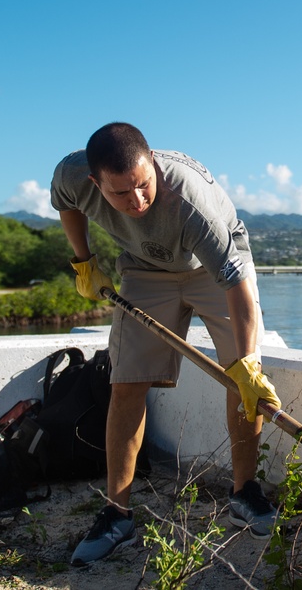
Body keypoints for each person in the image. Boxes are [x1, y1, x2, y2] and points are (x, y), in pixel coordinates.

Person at [50, 122, 282, 566]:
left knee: (242, 381)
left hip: (213, 270)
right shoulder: (71, 175)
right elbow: (66, 205)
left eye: (143, 185)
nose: (137, 201)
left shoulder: (187, 201)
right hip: (144, 269)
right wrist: (83, 261)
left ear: (152, 162)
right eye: (121, 194)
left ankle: (244, 494)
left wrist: (248, 364)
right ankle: (117, 514)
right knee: (126, 382)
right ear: (95, 183)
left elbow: (238, 285)